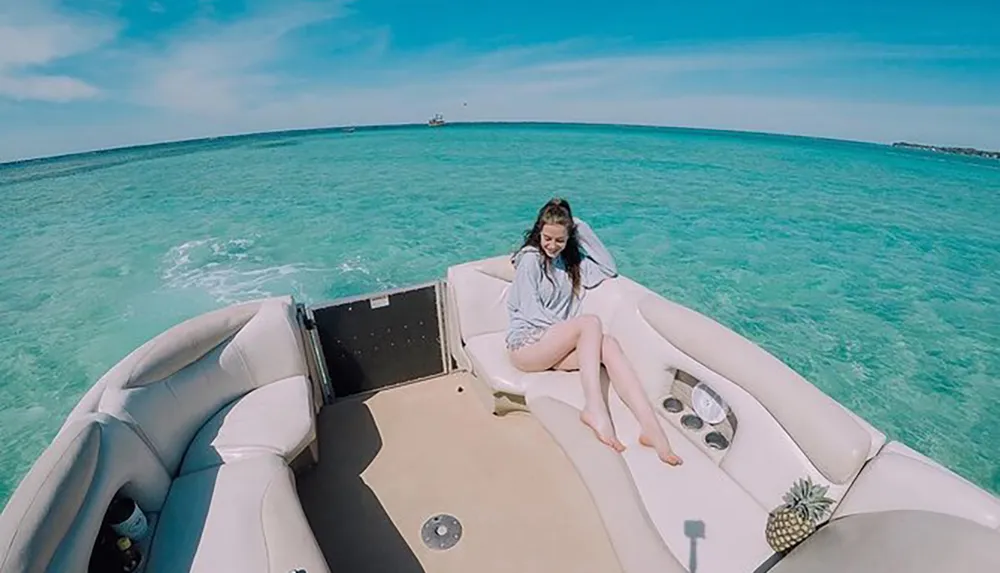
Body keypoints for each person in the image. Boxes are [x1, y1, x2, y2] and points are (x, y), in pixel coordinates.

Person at [506, 198, 683, 466]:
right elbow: (532, 313)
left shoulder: (571, 266)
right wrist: (572, 334)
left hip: (553, 348)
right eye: (547, 238)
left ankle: (651, 428)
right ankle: (594, 408)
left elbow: (608, 268)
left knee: (608, 345)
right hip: (527, 347)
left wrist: (579, 226)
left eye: (560, 240)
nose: (552, 246)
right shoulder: (530, 260)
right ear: (538, 233)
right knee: (589, 323)